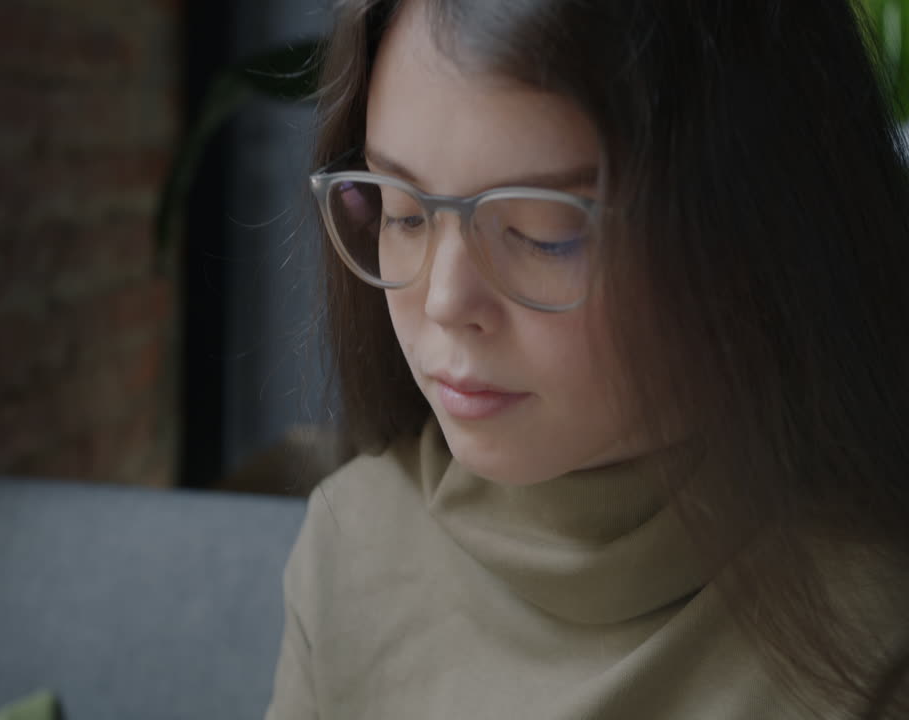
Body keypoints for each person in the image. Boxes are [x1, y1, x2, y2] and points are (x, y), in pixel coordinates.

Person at [264, 0, 909, 718]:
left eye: (545, 233)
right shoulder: (353, 541)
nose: (444, 300)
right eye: (404, 214)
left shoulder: (876, 632)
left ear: (753, 232)